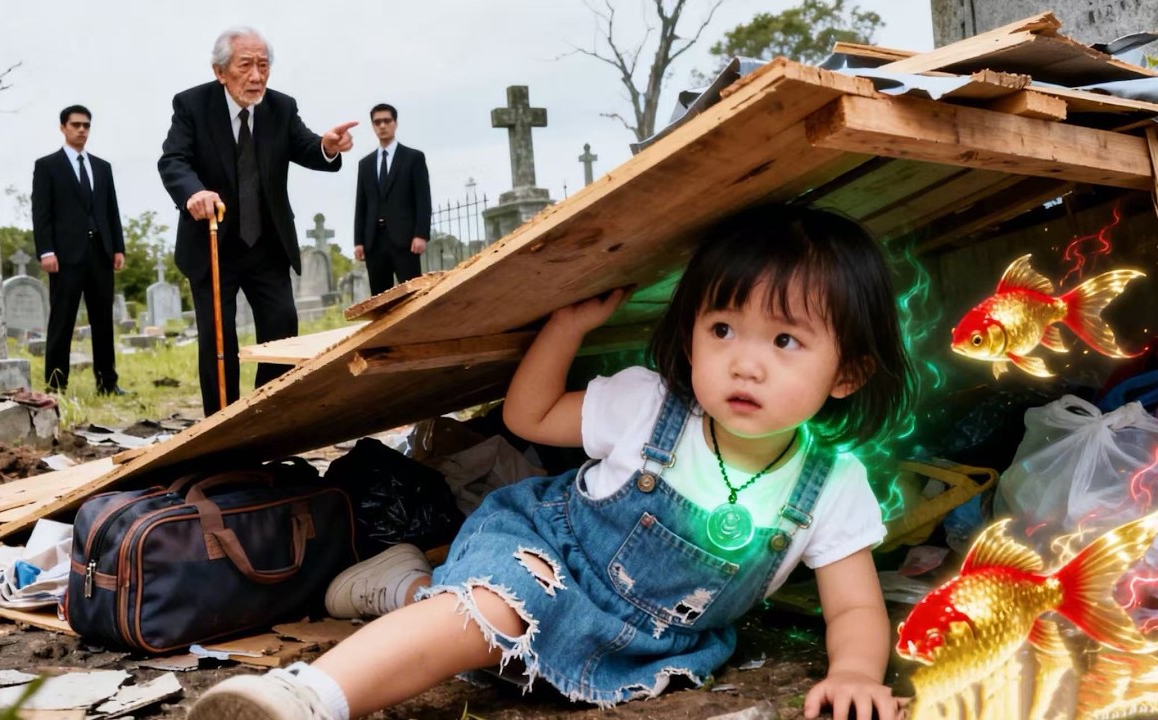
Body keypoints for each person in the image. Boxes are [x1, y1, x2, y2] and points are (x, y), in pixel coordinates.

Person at [190, 204, 918, 720]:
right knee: (496, 609)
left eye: (785, 341)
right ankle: (308, 697)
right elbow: (528, 418)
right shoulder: (647, 406)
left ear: (847, 372)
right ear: (690, 335)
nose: (745, 363)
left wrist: (854, 673)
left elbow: (853, 603)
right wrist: (566, 327)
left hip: (640, 642)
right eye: (722, 328)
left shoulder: (833, 485)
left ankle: (405, 586)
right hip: (549, 554)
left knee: (504, 653)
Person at [158, 27, 357, 415]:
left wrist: (327, 147)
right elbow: (173, 160)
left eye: (263, 66)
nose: (256, 76)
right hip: (214, 244)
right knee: (219, 339)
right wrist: (193, 192)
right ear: (220, 72)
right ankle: (222, 425)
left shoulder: (281, 107)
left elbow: (307, 146)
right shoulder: (192, 106)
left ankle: (267, 415)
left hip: (267, 245)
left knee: (282, 326)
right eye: (245, 65)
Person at [32, 104, 127, 396]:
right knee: (62, 321)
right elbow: (41, 212)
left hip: (100, 253)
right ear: (63, 127)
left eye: (86, 125)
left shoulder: (102, 167)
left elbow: (111, 209)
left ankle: (107, 382)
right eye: (76, 125)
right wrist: (46, 251)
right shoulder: (48, 166)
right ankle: (56, 385)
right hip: (65, 257)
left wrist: (118, 247)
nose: (82, 130)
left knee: (102, 322)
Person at [353, 103, 431, 295]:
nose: (382, 126)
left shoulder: (413, 158)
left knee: (414, 296)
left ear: (395, 123)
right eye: (377, 122)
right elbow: (361, 205)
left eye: (387, 121)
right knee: (381, 300)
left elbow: (423, 199)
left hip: (405, 241)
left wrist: (421, 234)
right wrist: (359, 241)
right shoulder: (365, 164)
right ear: (372, 126)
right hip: (374, 242)